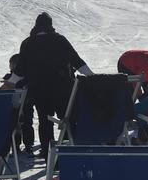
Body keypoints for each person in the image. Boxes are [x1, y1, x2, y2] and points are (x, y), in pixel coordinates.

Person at [10, 12, 93, 157]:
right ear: (50, 25)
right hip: (63, 88)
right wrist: (92, 77)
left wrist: (9, 83)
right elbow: (77, 61)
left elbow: (20, 69)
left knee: (45, 120)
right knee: (66, 119)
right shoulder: (60, 40)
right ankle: (68, 150)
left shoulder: (28, 43)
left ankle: (47, 151)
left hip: (39, 89)